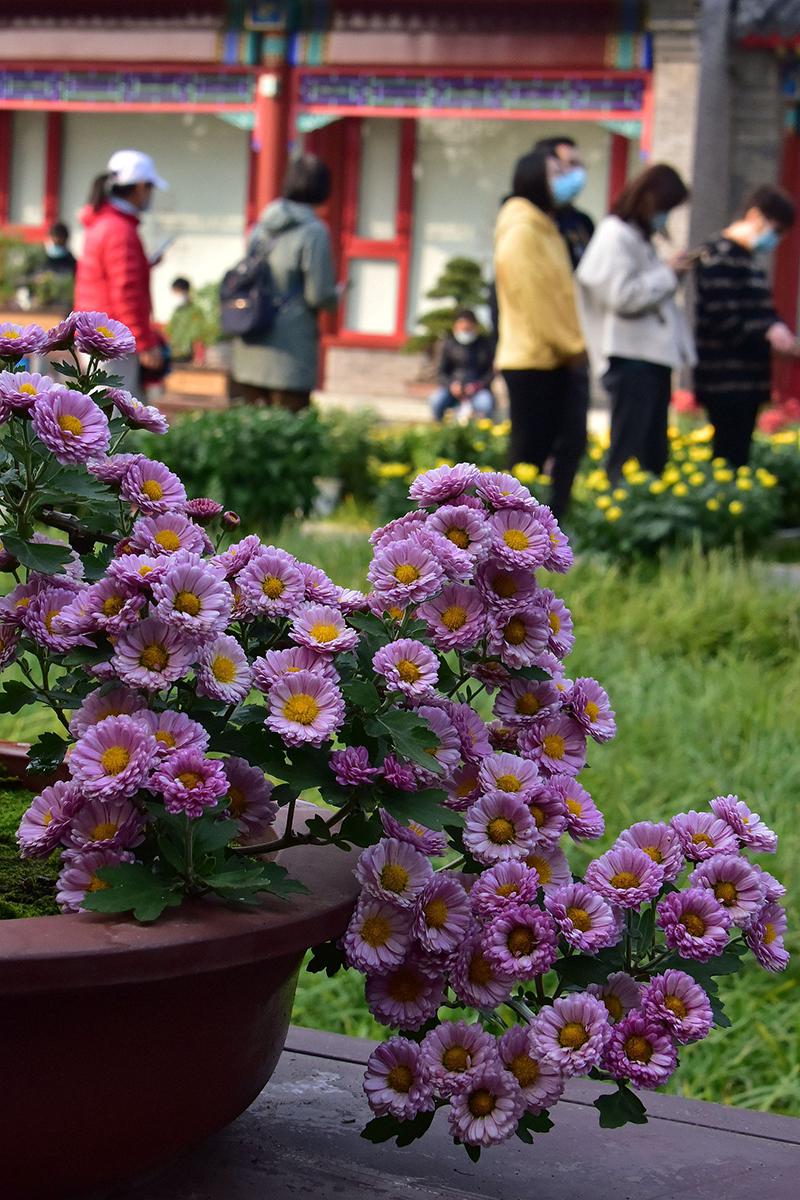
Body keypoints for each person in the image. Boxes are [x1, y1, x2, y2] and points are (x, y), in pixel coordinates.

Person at [576, 163, 695, 482]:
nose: (665, 217)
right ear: (649, 199)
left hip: (650, 359)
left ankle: (642, 518)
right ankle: (621, 521)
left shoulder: (638, 238)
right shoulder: (615, 234)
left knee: (652, 453)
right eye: (666, 208)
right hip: (631, 360)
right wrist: (668, 274)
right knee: (630, 453)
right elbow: (621, 295)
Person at [493, 148, 586, 519]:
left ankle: (546, 531)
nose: (565, 177)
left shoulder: (547, 227)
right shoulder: (521, 231)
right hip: (534, 358)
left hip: (557, 356)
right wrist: (573, 345)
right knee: (528, 456)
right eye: (555, 171)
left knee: (567, 446)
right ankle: (509, 537)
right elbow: (536, 300)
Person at [694, 184, 799, 466]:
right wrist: (766, 333)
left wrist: (778, 329)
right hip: (724, 380)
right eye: (775, 230)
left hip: (749, 380)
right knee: (726, 456)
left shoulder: (751, 261)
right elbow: (721, 317)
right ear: (755, 216)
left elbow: (763, 312)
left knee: (739, 455)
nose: (774, 240)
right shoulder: (717, 253)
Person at [230, 153, 338, 411]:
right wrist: (337, 296)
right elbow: (318, 294)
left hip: (251, 338)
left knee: (249, 426)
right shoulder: (314, 231)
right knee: (287, 432)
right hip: (290, 349)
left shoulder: (261, 226)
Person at [74, 149, 168, 394]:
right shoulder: (120, 230)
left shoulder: (104, 222)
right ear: (139, 187)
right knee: (114, 418)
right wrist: (145, 342)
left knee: (99, 412)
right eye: (150, 188)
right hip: (113, 337)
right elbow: (126, 291)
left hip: (98, 332)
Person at [429, 309, 495, 423]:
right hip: (452, 389)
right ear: (455, 327)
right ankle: (440, 427)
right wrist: (451, 385)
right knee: (436, 401)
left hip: (478, 390)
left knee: (486, 404)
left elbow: (491, 372)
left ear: (475, 326)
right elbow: (440, 372)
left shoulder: (484, 346)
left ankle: (483, 432)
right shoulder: (448, 345)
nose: (465, 331)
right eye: (462, 328)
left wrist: (478, 385)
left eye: (468, 328)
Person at [167, 276, 206, 364]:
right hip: (174, 356)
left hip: (189, 357)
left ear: (186, 291)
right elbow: (169, 333)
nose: (176, 296)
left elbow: (199, 335)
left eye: (177, 292)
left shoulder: (195, 311)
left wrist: (199, 357)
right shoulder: (177, 312)